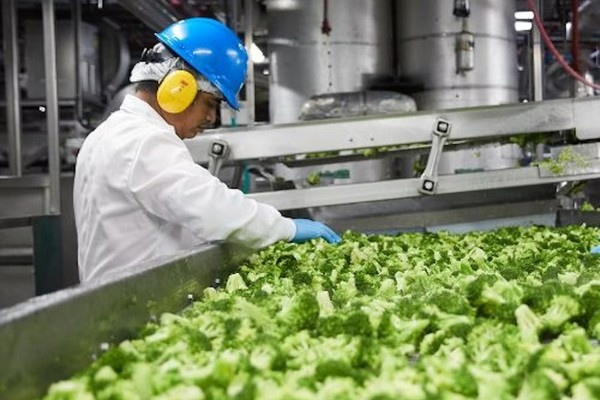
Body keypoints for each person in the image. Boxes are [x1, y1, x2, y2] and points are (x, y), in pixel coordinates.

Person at [73, 17, 341, 283]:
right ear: (179, 87)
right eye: (211, 103)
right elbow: (215, 210)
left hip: (119, 293)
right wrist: (288, 229)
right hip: (135, 300)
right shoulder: (143, 141)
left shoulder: (106, 134)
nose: (212, 118)